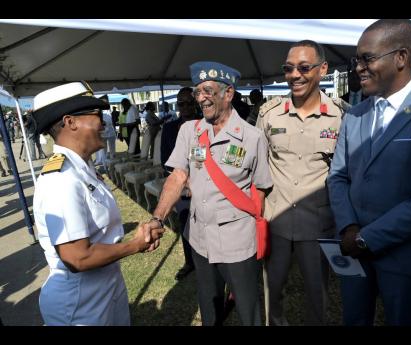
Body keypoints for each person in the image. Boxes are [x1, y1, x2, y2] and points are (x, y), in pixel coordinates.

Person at [327, 19, 411, 326]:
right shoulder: (355, 114)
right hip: (354, 252)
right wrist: (348, 227)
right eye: (356, 59)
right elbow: (338, 176)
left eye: (367, 58)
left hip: (405, 257)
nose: (358, 67)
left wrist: (365, 238)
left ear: (401, 57)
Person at [149, 61, 272, 326]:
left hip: (237, 244)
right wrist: (158, 217)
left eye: (207, 90)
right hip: (200, 240)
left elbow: (260, 189)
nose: (201, 97)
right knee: (209, 308)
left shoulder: (252, 138)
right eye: (197, 92)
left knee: (248, 309)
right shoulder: (189, 131)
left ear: (228, 94)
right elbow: (178, 176)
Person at [31, 81, 164, 325]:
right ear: (70, 122)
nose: (104, 122)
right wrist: (135, 245)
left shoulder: (84, 168)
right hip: (80, 303)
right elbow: (77, 258)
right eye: (96, 115)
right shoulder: (61, 179)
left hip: (106, 285)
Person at [256, 39, 349, 325]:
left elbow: (347, 173)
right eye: (289, 68)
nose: (295, 75)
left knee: (317, 294)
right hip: (278, 223)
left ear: (322, 70)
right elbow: (258, 168)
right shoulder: (269, 114)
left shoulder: (341, 115)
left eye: (304, 67)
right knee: (272, 292)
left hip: (318, 226)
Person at [160, 87, 201, 281]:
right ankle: (189, 262)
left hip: (204, 185)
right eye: (180, 103)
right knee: (185, 222)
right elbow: (164, 160)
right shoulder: (169, 128)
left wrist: (196, 181)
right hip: (181, 187)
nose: (184, 107)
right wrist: (183, 183)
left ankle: (206, 260)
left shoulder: (205, 124)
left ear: (196, 104)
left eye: (188, 103)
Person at [94, 95, 116, 168]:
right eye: (105, 100)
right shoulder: (98, 110)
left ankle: (112, 162)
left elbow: (111, 121)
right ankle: (104, 164)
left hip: (110, 132)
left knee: (112, 148)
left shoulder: (108, 109)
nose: (107, 102)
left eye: (107, 100)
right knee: (104, 150)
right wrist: (103, 123)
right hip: (103, 132)